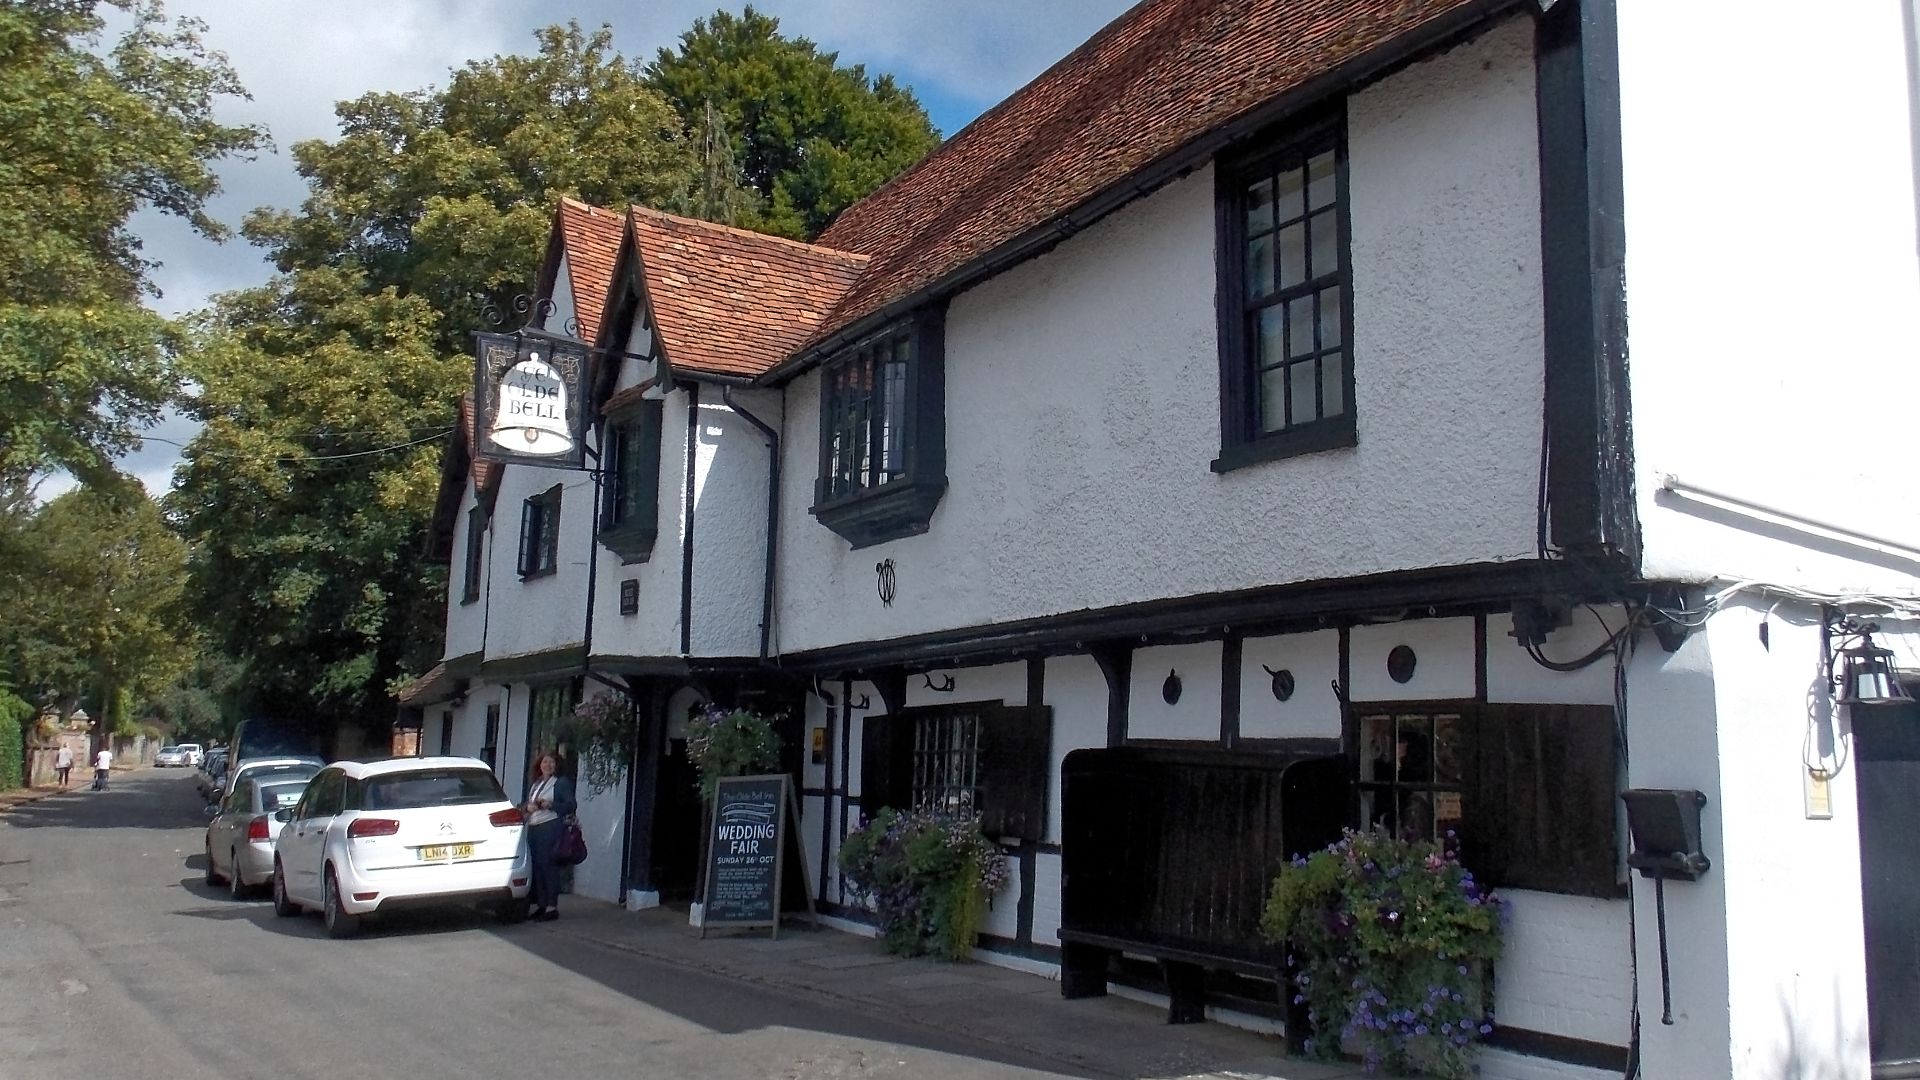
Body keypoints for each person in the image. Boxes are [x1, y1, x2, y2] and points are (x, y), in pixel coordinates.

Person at [522, 752, 576, 921]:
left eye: (552, 762)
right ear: (540, 764)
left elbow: (571, 805)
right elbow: (528, 805)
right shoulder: (536, 784)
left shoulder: (560, 783)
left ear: (556, 765)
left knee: (548, 867)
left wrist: (550, 805)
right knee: (537, 867)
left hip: (550, 827)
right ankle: (542, 905)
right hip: (534, 828)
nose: (548, 765)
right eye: (545, 762)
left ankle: (552, 907)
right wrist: (527, 808)